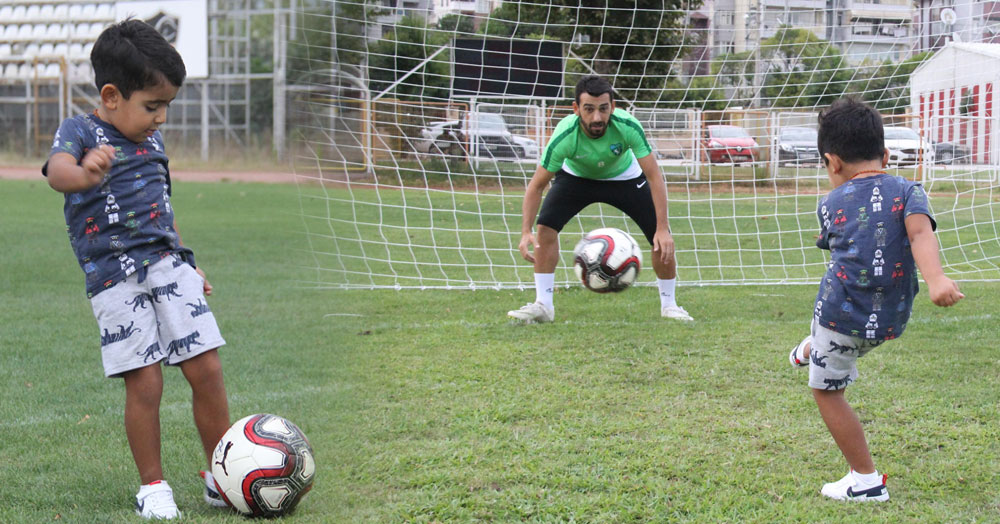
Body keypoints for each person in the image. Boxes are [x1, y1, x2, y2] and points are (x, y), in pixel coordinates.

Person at [43, 20, 231, 519]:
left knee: (207, 369)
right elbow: (56, 173)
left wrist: (189, 263)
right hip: (114, 279)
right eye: (153, 105)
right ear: (111, 95)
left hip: (169, 266)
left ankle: (222, 476)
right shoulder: (80, 131)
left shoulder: (152, 142)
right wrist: (84, 172)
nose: (161, 117)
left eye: (166, 105)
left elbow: (161, 210)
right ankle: (153, 486)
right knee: (145, 382)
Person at [788, 97, 964, 501]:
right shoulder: (908, 190)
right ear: (885, 154)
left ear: (831, 162)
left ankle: (865, 481)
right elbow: (921, 234)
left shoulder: (829, 203)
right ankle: (815, 347)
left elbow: (832, 245)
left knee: (827, 390)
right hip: (889, 319)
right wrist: (936, 280)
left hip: (840, 317)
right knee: (841, 344)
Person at [507, 75, 693, 323]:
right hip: (577, 178)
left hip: (624, 178)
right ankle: (543, 305)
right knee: (545, 228)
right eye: (589, 109)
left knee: (661, 239)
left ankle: (670, 306)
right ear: (576, 109)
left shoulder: (628, 126)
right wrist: (525, 231)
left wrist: (662, 229)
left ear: (613, 107)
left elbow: (654, 176)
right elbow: (536, 186)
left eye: (603, 109)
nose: (597, 117)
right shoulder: (564, 136)